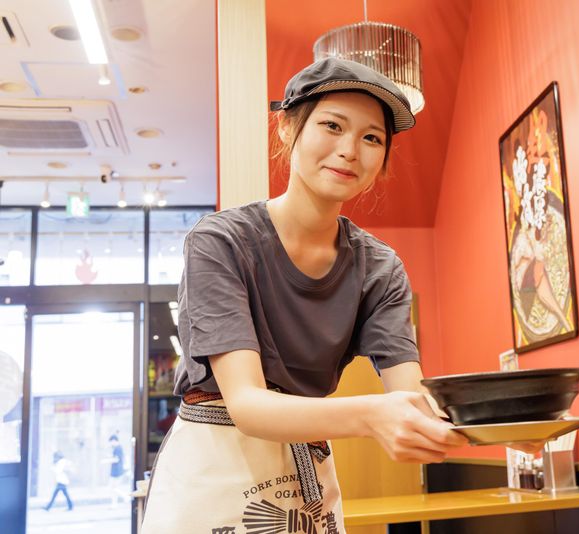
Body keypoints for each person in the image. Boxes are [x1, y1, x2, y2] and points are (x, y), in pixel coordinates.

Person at [140, 57, 468, 533]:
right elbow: (247, 405)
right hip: (214, 466)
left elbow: (410, 396)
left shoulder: (379, 268)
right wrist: (372, 416)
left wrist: (495, 424)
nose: (349, 150)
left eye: (372, 138)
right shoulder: (220, 241)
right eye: (332, 126)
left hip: (306, 470)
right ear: (287, 128)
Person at [105, 434, 128, 507]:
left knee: (113, 488)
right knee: (113, 489)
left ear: (114, 441)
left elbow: (116, 459)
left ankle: (125, 496)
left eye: (111, 442)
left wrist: (106, 461)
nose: (111, 444)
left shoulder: (117, 448)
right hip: (116, 471)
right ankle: (114, 504)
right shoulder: (118, 448)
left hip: (117, 471)